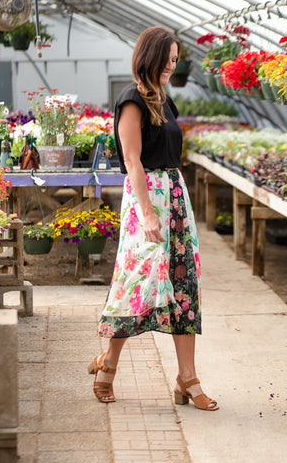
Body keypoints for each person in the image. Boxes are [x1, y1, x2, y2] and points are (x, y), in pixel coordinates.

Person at [88, 25, 218, 411]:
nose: (172, 66)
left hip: (176, 199)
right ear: (151, 56)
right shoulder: (132, 100)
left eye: (176, 60)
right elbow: (131, 160)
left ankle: (187, 378)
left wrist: (173, 204)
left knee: (183, 283)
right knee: (135, 281)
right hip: (147, 201)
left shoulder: (163, 99)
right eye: (168, 59)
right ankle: (107, 364)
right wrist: (147, 211)